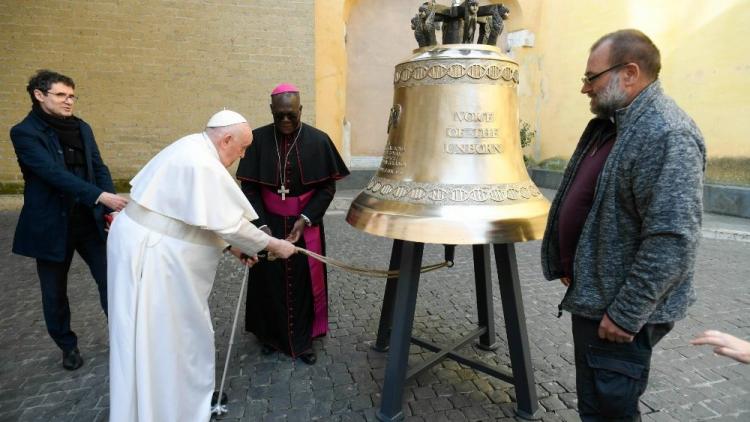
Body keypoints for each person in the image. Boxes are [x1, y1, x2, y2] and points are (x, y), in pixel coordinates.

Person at [540, 29, 706, 420]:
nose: (585, 88)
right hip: (599, 294)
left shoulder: (667, 133)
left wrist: (626, 313)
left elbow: (672, 240)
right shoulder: (615, 123)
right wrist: (577, 265)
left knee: (607, 408)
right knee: (597, 400)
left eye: (591, 77)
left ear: (629, 73)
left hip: (619, 311)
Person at [107, 110, 297, 422]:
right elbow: (230, 224)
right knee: (171, 335)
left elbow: (193, 214)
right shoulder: (202, 162)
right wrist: (275, 245)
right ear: (226, 139)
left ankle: (174, 400)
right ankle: (169, 409)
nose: (243, 154)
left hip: (146, 246)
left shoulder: (192, 146)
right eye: (242, 147)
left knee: (161, 332)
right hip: (154, 258)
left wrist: (232, 247)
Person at [9, 69, 128, 371]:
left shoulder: (82, 127)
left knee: (112, 281)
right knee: (54, 292)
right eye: (61, 95)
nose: (68, 101)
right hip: (50, 225)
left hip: (88, 222)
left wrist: (109, 204)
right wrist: (100, 197)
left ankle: (125, 338)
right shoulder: (24, 132)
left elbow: (98, 168)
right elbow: (53, 174)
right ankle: (67, 346)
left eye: (72, 96)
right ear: (39, 95)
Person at [236, 83, 349, 365]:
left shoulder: (318, 140)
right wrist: (260, 225)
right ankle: (271, 337)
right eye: (280, 115)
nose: (286, 121)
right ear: (271, 111)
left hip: (304, 224)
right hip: (268, 224)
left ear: (300, 110)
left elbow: (326, 188)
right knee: (268, 283)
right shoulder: (258, 140)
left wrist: (307, 217)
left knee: (304, 285)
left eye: (292, 115)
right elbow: (249, 187)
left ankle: (303, 339)